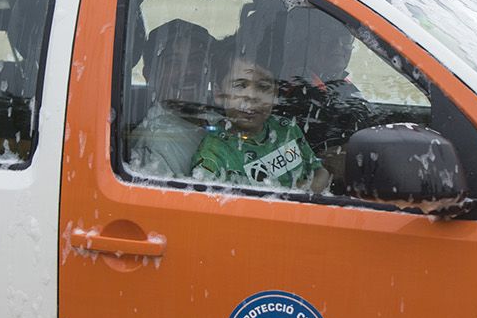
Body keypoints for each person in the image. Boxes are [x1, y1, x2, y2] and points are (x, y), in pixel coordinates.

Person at [192, 46, 328, 192]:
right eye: (240, 85)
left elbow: (320, 172)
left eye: (263, 87)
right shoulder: (214, 154)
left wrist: (305, 191)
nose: (251, 96)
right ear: (219, 94)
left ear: (275, 94)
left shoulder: (286, 128)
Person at [127, 19, 213, 178]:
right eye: (174, 62)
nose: (188, 71)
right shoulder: (157, 143)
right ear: (149, 75)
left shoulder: (219, 118)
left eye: (196, 60)